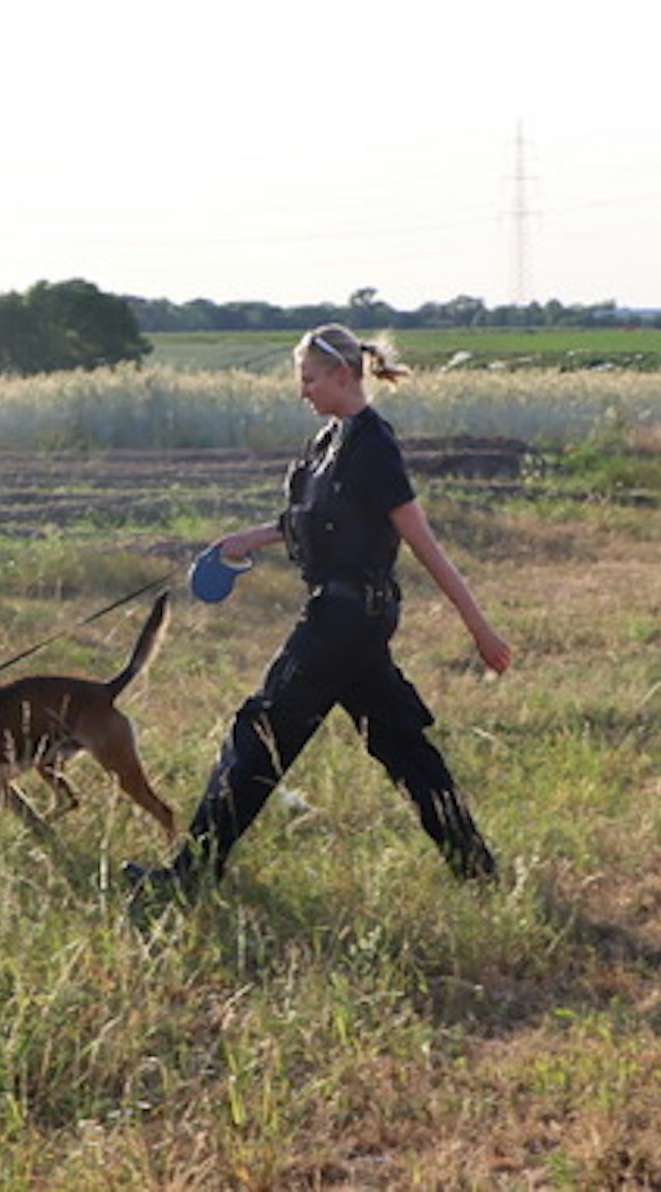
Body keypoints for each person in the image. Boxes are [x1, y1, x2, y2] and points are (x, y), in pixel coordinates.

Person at [125, 324, 512, 897]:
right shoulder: (326, 444)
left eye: (309, 379)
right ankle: (478, 872)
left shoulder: (373, 446)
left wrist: (481, 631)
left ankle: (190, 876)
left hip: (345, 620)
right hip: (345, 620)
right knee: (404, 745)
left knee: (259, 735)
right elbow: (311, 521)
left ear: (342, 375)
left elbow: (423, 543)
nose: (301, 390)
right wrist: (247, 540)